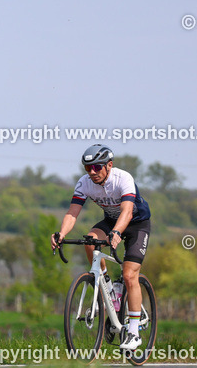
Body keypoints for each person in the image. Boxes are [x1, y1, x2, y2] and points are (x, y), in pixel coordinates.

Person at [51, 144, 151, 350]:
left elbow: (127, 212)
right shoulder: (84, 183)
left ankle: (133, 333)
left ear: (109, 165)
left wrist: (117, 232)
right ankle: (109, 288)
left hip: (136, 224)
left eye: (97, 167)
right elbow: (72, 212)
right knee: (90, 240)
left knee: (129, 275)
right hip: (111, 221)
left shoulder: (123, 179)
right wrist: (61, 234)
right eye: (88, 168)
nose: (92, 172)